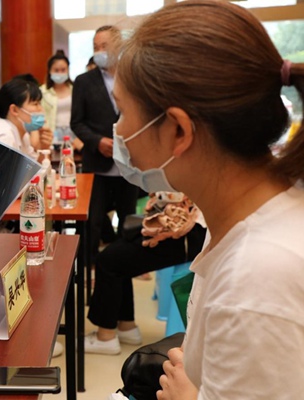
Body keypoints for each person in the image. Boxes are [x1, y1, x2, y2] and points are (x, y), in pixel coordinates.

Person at [112, 1, 304, 398]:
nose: (119, 131)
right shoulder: (241, 216)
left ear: (179, 131)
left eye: (123, 111)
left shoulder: (255, 279)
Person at [85, 192, 205, 355]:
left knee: (108, 261)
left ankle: (105, 337)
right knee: (119, 255)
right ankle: (126, 326)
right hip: (186, 223)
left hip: (188, 231)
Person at [71, 25, 139, 260]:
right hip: (97, 164)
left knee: (128, 219)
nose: (99, 51)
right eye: (95, 47)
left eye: (104, 46)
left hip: (129, 163)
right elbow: (77, 122)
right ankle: (89, 265)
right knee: (93, 221)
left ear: (119, 46)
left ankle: (126, 265)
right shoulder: (84, 82)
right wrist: (97, 141)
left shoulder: (133, 76)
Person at [0, 78, 53, 163]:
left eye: (39, 104)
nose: (41, 109)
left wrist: (44, 147)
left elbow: (34, 168)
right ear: (14, 110)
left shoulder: (22, 134)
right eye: (35, 104)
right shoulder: (4, 137)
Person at [40, 50, 82, 151]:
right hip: (52, 134)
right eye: (56, 70)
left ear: (68, 70)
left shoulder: (76, 89)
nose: (60, 73)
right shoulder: (42, 91)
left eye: (63, 70)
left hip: (74, 134)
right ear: (49, 71)